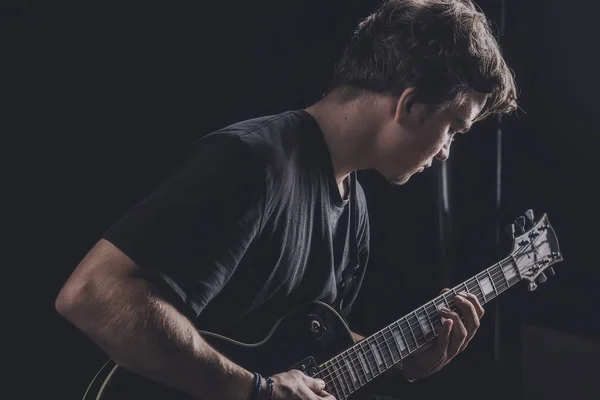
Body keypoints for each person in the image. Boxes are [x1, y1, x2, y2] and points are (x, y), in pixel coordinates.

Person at [55, 1, 517, 399]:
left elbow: (307, 355)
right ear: (410, 105)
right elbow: (94, 295)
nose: (445, 152)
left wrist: (404, 361)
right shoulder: (254, 162)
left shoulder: (354, 206)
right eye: (454, 128)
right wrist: (254, 390)